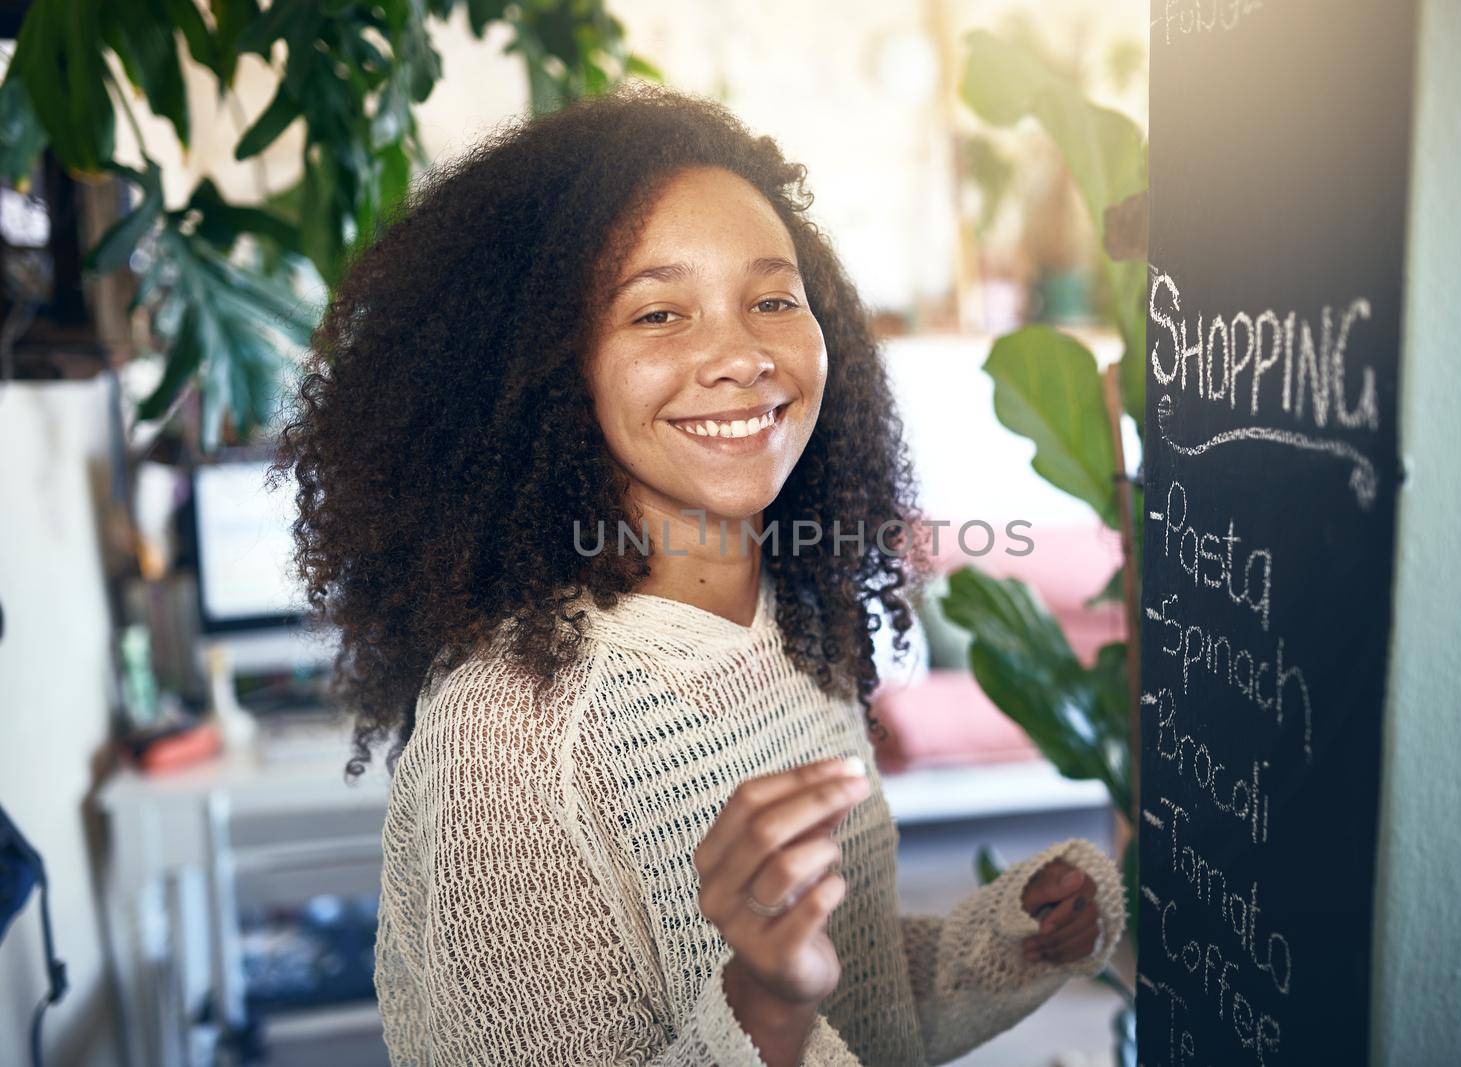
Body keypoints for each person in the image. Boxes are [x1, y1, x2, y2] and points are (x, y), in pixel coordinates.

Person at [272, 83, 1125, 1066]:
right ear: (550, 370)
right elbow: (788, 1008)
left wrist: (1008, 934)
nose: (738, 354)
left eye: (771, 299)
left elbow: (857, 1005)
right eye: (658, 312)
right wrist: (760, 1004)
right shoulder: (510, 738)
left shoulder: (800, 638)